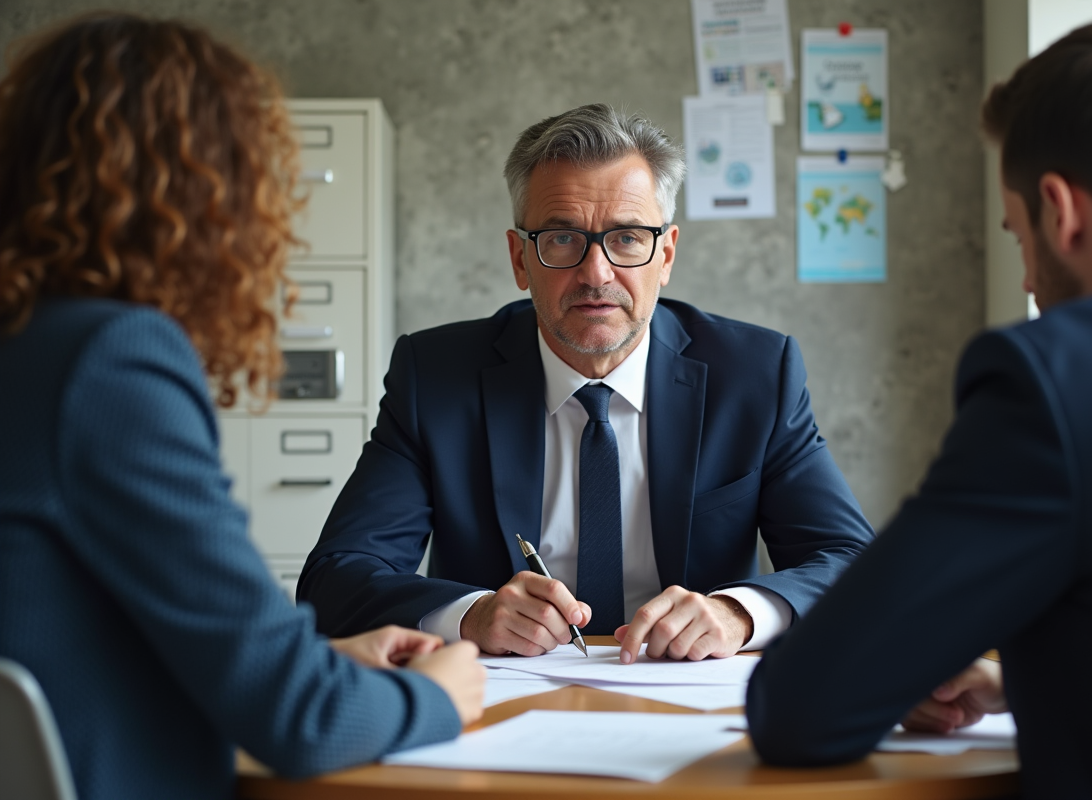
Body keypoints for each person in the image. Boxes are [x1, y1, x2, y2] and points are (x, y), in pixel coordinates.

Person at [0, 14, 484, 800]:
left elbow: (83, 629)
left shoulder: (26, 345)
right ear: (204, 188)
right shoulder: (110, 361)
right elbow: (303, 722)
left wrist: (323, 662)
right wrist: (437, 694)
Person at [745, 17, 1092, 800]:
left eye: (1018, 237)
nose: (1028, 279)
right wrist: (1032, 679)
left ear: (1061, 212)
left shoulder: (1060, 378)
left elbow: (801, 711)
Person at [298, 103, 874, 664]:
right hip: (499, 709)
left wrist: (739, 614)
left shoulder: (753, 374)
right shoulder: (436, 376)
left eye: (626, 238)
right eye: (562, 239)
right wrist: (470, 614)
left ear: (665, 255)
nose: (596, 273)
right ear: (520, 259)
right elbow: (335, 579)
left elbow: (852, 560)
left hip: (690, 702)